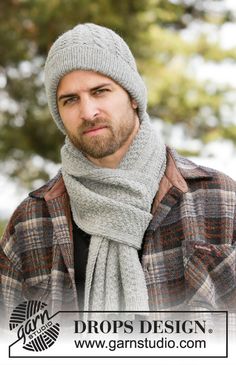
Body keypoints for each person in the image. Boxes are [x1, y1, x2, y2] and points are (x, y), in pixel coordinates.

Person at [0, 23, 235, 320]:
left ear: (133, 96)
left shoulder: (219, 200)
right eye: (70, 100)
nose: (87, 112)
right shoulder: (30, 223)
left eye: (100, 91)